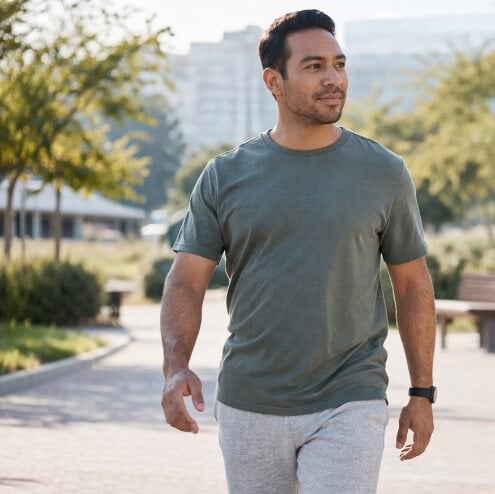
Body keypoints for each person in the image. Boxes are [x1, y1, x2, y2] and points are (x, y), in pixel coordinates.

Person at [159, 9, 436, 493]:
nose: (333, 79)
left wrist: (422, 393)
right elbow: (186, 280)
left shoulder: (384, 172)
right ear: (274, 80)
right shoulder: (225, 176)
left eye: (339, 64)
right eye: (314, 66)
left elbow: (412, 283)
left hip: (351, 395)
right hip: (251, 400)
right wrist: (174, 368)